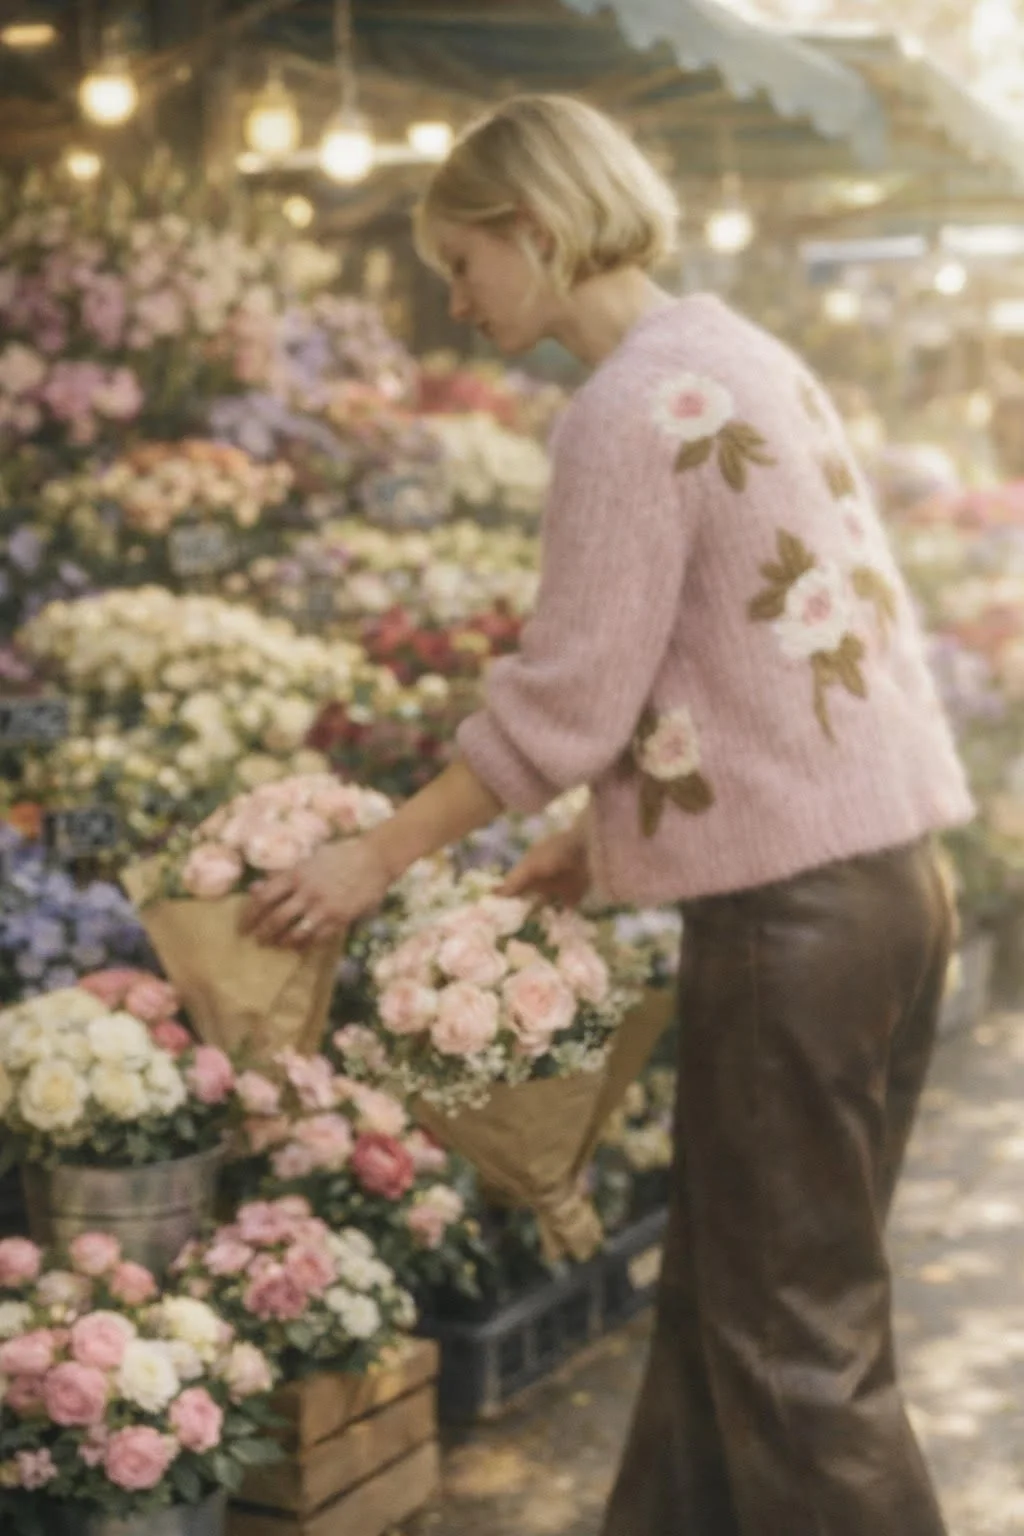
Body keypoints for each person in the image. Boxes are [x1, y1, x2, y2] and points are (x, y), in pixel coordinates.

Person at [241, 94, 973, 1536]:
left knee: (791, 1356)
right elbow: (758, 656)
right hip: (887, 892)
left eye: (463, 263)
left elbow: (562, 707)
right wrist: (623, 825)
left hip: (794, 927)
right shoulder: (739, 355)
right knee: (733, 1312)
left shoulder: (624, 410)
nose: (453, 304)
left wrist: (370, 857)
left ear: (538, 227)